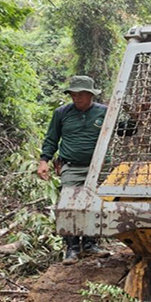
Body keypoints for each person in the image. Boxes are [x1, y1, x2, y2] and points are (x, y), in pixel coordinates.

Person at [38, 75, 111, 264]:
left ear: (90, 95)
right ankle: (72, 248)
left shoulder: (105, 112)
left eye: (80, 94)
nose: (76, 98)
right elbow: (51, 139)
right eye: (73, 94)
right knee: (68, 205)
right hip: (71, 166)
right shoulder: (62, 113)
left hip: (99, 167)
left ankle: (90, 244)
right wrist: (44, 161)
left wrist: (136, 118)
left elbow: (124, 130)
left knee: (94, 205)